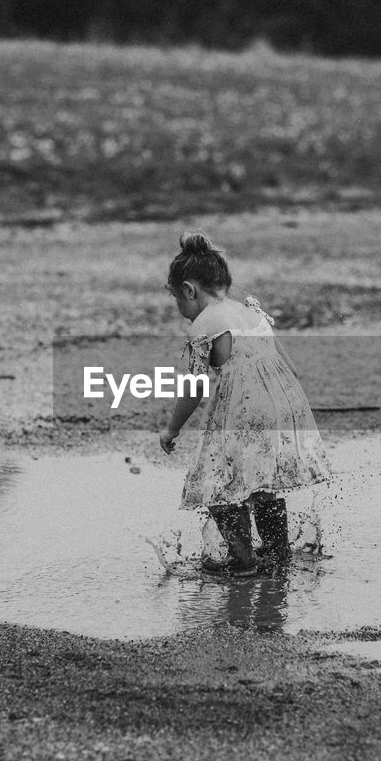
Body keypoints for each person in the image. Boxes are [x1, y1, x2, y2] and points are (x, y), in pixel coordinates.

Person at [159, 230, 330, 576]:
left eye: (177, 300)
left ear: (189, 290)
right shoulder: (253, 313)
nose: (180, 310)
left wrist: (172, 428)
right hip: (285, 407)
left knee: (218, 488)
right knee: (263, 485)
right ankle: (278, 555)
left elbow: (194, 387)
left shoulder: (204, 325)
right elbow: (291, 368)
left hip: (245, 411)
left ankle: (244, 563)